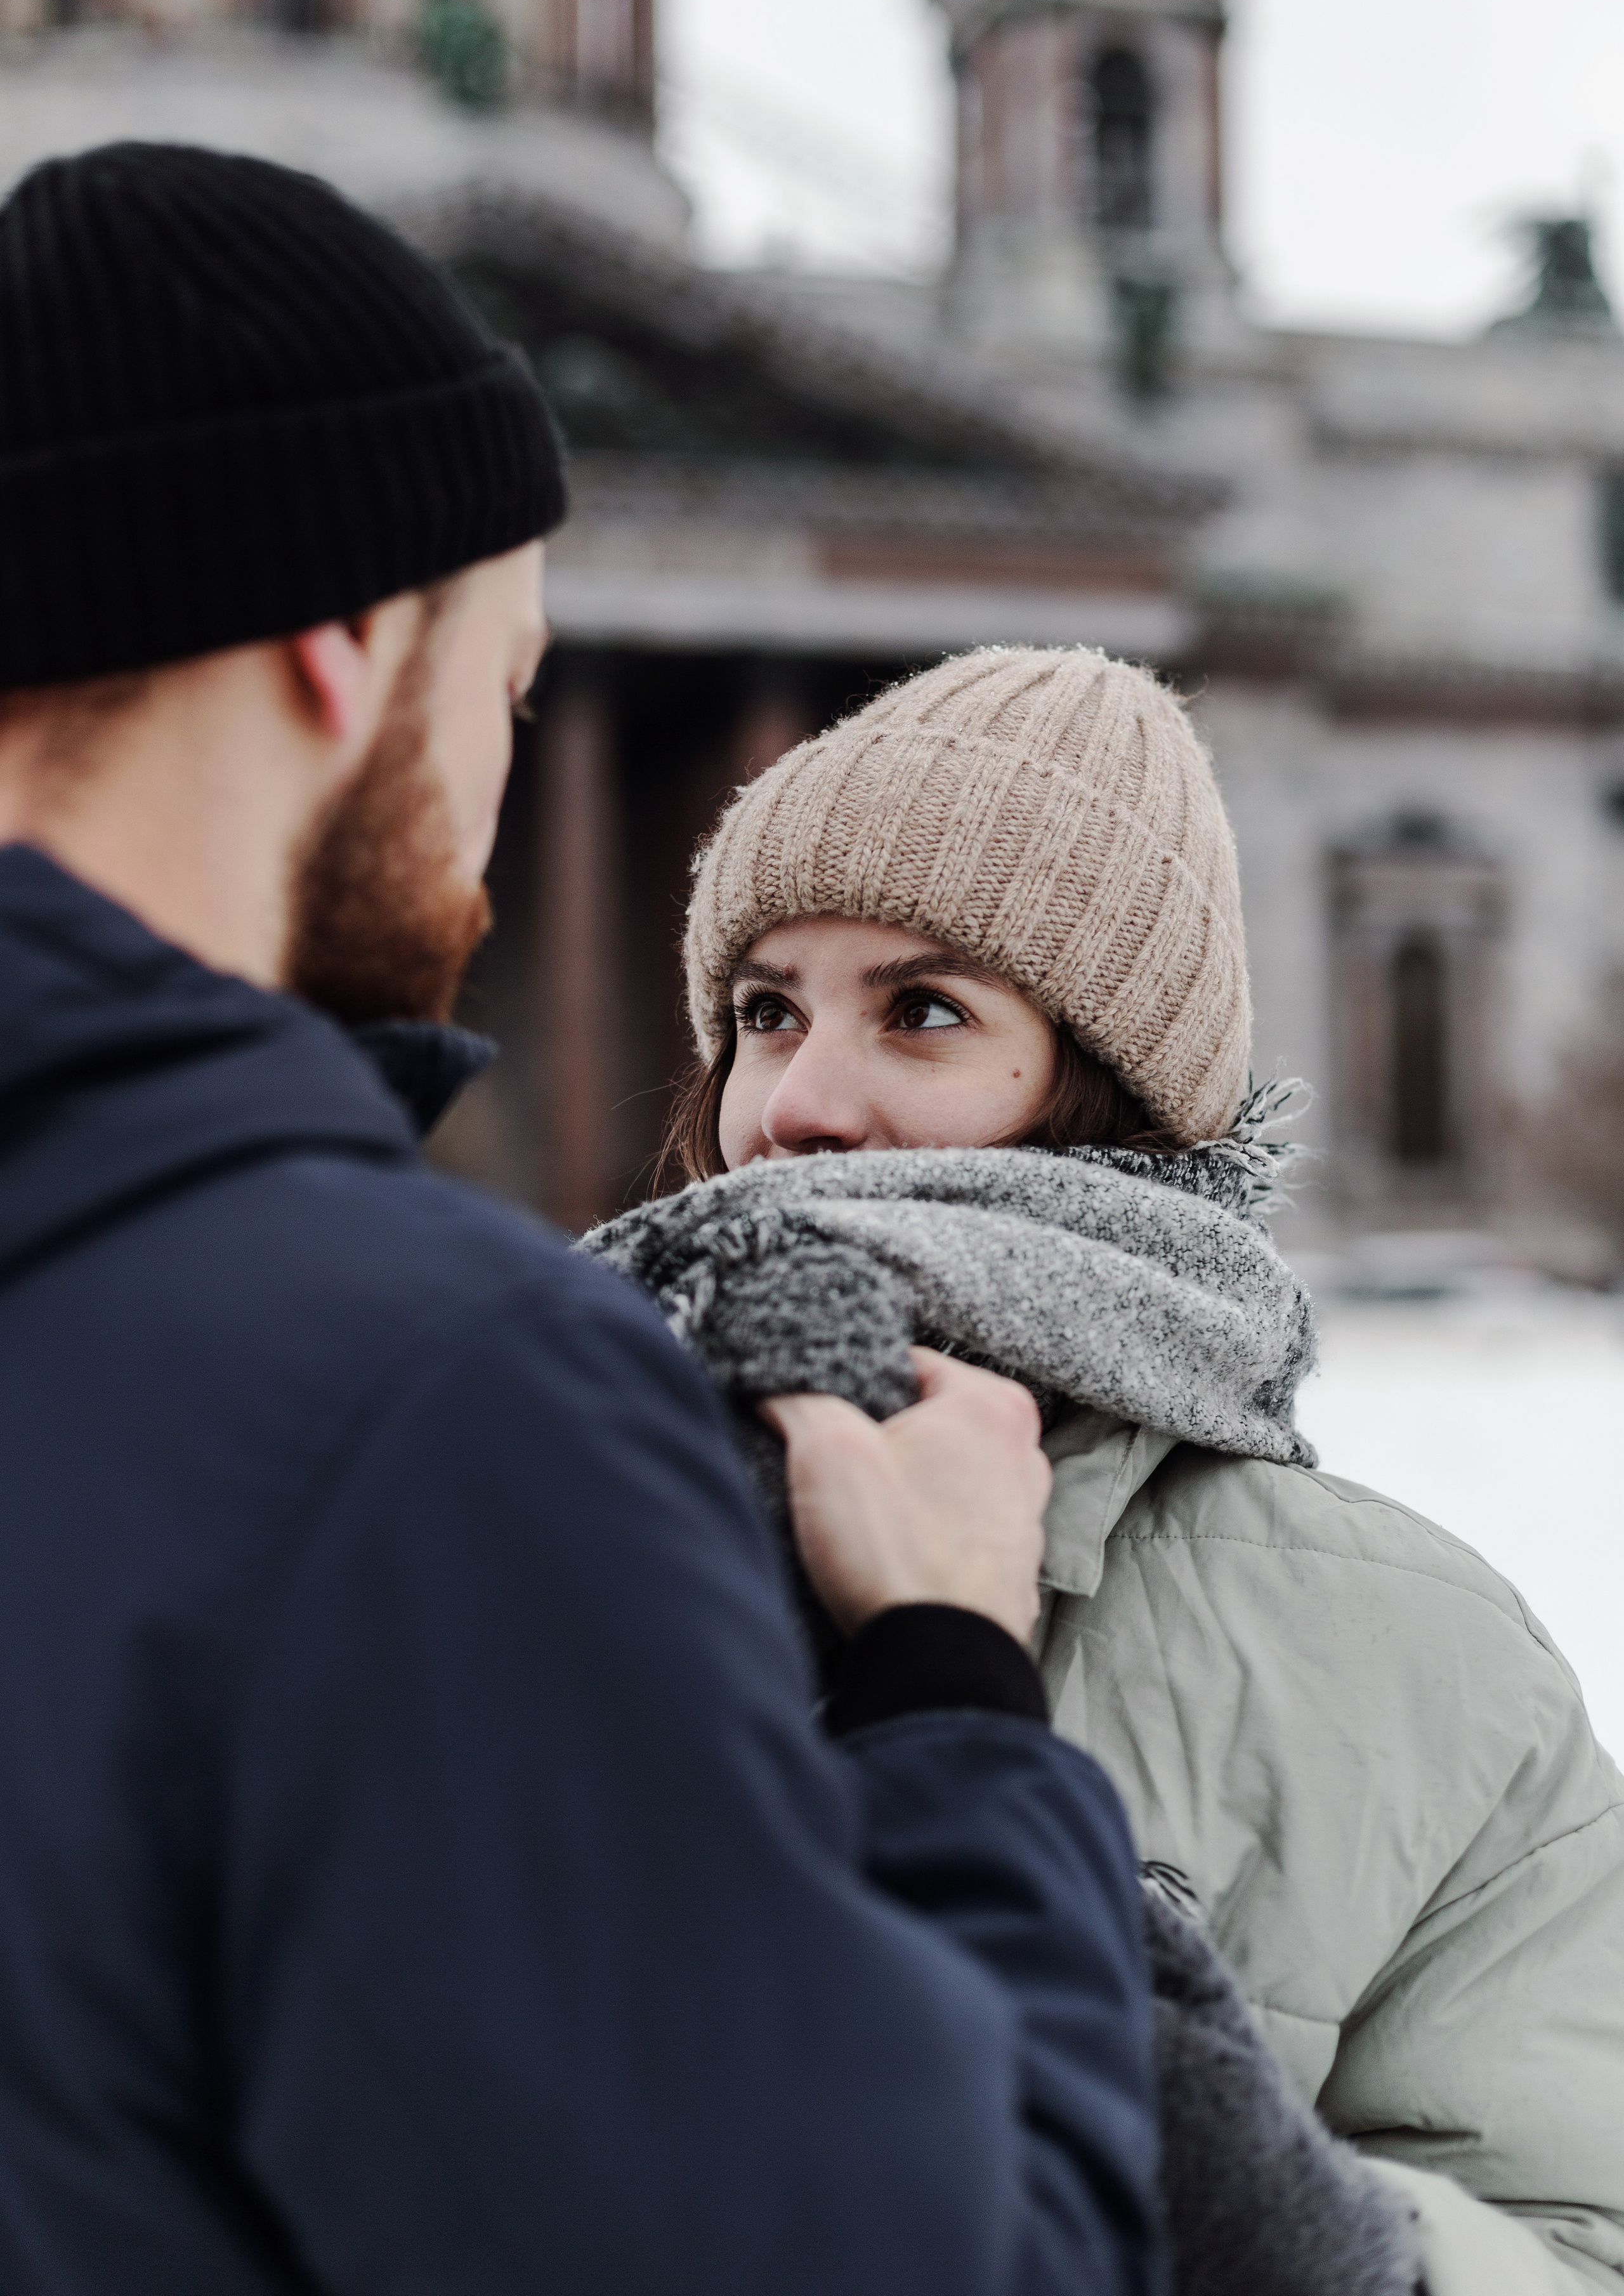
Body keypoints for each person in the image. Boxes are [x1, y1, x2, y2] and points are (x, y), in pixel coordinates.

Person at [0, 144, 1167, 2293]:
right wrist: (949, 1691)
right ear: (344, 647)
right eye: (511, 691)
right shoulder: (422, 1409)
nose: (502, 820)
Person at [589, 644, 1624, 2296]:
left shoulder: (1422, 1664)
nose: (797, 1104)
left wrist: (1285, 2226)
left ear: (1120, 1098)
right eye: (765, 1012)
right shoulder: (496, 1494)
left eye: (923, 1010)